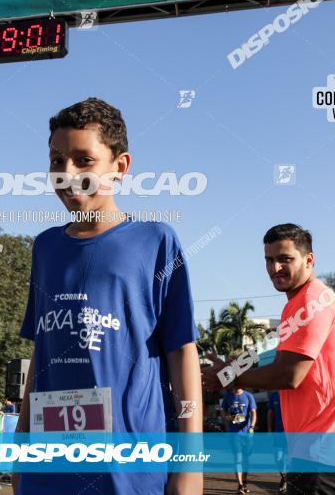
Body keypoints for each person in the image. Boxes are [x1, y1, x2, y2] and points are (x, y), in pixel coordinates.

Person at [13, 98, 203, 495]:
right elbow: (41, 356)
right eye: (56, 160)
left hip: (128, 468)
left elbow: (182, 353)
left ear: (120, 166)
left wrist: (188, 465)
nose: (66, 173)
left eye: (84, 160)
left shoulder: (156, 241)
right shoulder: (45, 248)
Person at [227, 224, 335, 493]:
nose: (275, 268)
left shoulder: (311, 300)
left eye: (285, 259)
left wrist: (229, 376)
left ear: (309, 260)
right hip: (325, 451)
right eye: (269, 260)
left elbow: (288, 375)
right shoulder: (302, 301)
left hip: (325, 453)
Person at [222, 387, 256, 494]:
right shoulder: (228, 396)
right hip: (234, 433)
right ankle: (240, 485)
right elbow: (223, 411)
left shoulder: (248, 396)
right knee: (238, 458)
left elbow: (253, 413)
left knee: (246, 460)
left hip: (246, 433)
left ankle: (244, 482)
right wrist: (230, 418)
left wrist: (252, 427)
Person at [267, 390, 287, 493]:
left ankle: (286, 481)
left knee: (290, 458)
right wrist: (270, 429)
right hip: (278, 432)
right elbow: (270, 413)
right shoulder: (274, 395)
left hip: (291, 433)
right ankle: (284, 477)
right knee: (278, 457)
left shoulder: (291, 393)